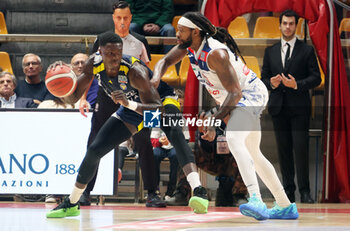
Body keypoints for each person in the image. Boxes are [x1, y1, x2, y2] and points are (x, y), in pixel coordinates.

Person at [152, 12, 299, 220]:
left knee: (233, 137)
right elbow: (166, 60)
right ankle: (285, 205)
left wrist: (213, 120)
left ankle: (255, 198)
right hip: (234, 99)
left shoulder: (215, 53)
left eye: (181, 31)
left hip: (249, 94)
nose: (177, 34)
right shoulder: (189, 47)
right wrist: (156, 76)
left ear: (195, 32)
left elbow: (236, 93)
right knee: (254, 154)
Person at [46, 31, 208, 218]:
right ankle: (72, 202)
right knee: (94, 150)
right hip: (131, 107)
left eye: (118, 53)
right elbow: (73, 96)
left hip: (160, 101)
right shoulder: (93, 64)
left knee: (175, 134)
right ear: (100, 52)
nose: (115, 58)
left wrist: (128, 104)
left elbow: (157, 109)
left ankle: (198, 191)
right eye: (109, 54)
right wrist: (63, 81)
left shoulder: (135, 71)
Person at [77, 1, 165, 207]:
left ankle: (152, 194)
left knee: (144, 143)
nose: (123, 22)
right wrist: (82, 98)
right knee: (94, 143)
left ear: (131, 18)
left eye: (126, 18)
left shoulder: (140, 41)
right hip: (106, 96)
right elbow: (89, 73)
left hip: (135, 99)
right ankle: (85, 193)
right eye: (119, 18)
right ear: (113, 18)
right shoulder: (103, 39)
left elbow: (148, 75)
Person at [261, 10, 321, 204]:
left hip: (300, 108)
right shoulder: (270, 51)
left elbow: (316, 78)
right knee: (284, 151)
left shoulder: (307, 50)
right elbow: (263, 79)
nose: (288, 27)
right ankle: (288, 191)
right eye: (285, 23)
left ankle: (305, 191)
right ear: (279, 25)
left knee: (301, 149)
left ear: (296, 26)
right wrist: (272, 83)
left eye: (291, 24)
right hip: (278, 108)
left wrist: (296, 84)